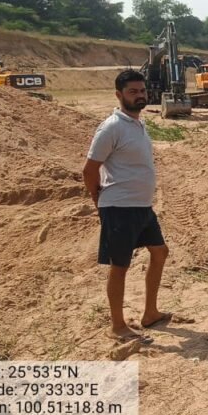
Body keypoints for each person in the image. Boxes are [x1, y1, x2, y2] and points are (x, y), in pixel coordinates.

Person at [83, 70, 172, 344]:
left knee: (160, 252)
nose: (140, 96)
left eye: (142, 91)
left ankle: (150, 313)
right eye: (133, 92)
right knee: (119, 265)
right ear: (118, 95)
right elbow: (89, 169)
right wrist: (98, 200)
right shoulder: (111, 127)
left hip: (142, 206)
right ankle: (117, 325)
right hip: (119, 207)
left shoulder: (137, 124)